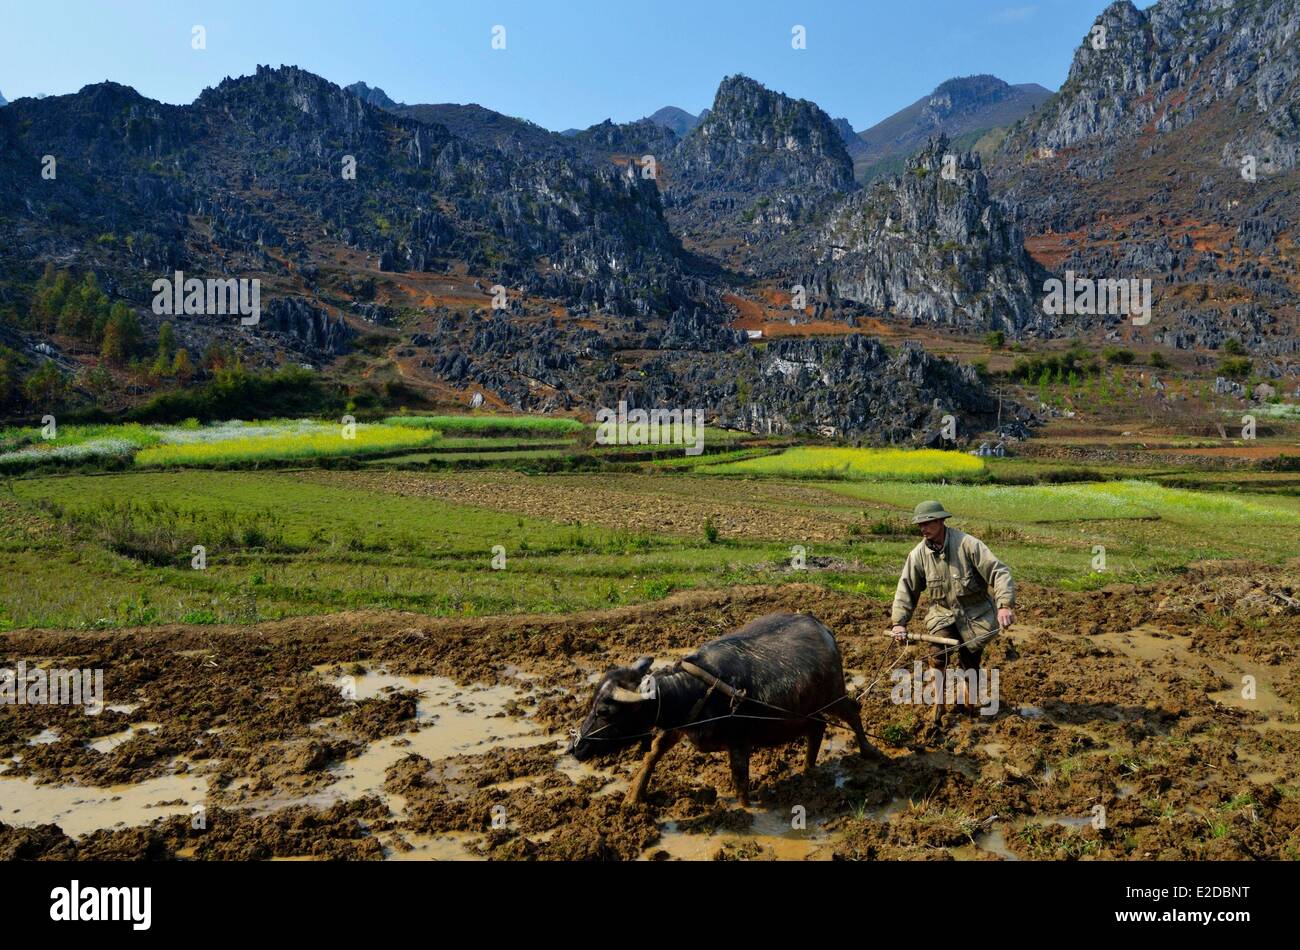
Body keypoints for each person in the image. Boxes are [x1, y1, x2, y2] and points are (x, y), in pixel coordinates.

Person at [889, 500, 1015, 736]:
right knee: (937, 656)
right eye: (920, 525)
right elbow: (906, 588)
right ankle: (938, 705)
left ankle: (969, 706)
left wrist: (1004, 605)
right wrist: (899, 622)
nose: (923, 529)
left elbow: (999, 572)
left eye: (928, 523)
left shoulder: (968, 545)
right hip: (943, 615)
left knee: (970, 662)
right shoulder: (919, 555)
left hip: (975, 616)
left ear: (941, 521)